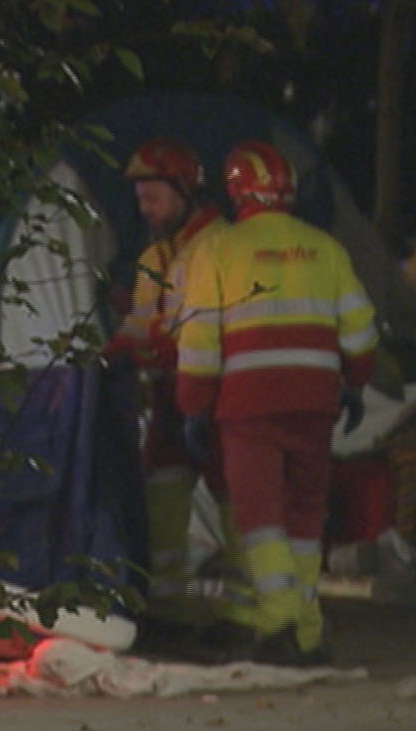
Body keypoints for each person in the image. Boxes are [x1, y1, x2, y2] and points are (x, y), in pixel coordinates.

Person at [175, 139, 378, 665]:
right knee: (306, 515)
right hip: (315, 404)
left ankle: (279, 624)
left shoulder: (219, 250)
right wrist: (355, 383)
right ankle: (308, 632)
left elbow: (199, 337)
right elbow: (361, 331)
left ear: (236, 191)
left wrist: (193, 404)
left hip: (248, 407)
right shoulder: (325, 248)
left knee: (259, 516)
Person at [103, 137, 253, 650]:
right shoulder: (155, 255)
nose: (145, 208)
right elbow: (139, 328)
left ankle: (242, 616)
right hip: (173, 397)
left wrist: (150, 350)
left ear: (185, 190)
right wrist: (109, 353)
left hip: (221, 392)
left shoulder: (222, 245)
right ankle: (169, 609)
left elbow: (213, 329)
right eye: (140, 199)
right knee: (161, 494)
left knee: (234, 501)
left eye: (154, 197)